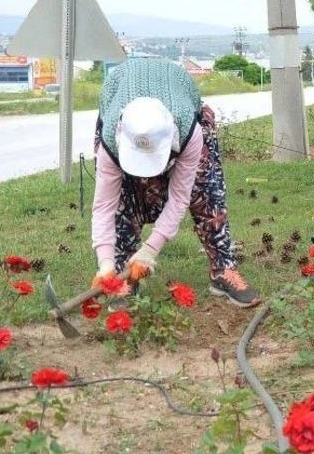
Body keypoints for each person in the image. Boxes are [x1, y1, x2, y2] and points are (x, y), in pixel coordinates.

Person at [90, 57, 260, 308]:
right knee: (124, 199)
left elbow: (181, 196)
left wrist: (151, 250)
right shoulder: (112, 141)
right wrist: (103, 262)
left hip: (182, 111)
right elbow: (104, 206)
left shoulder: (189, 131)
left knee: (206, 190)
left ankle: (223, 269)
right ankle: (120, 271)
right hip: (120, 108)